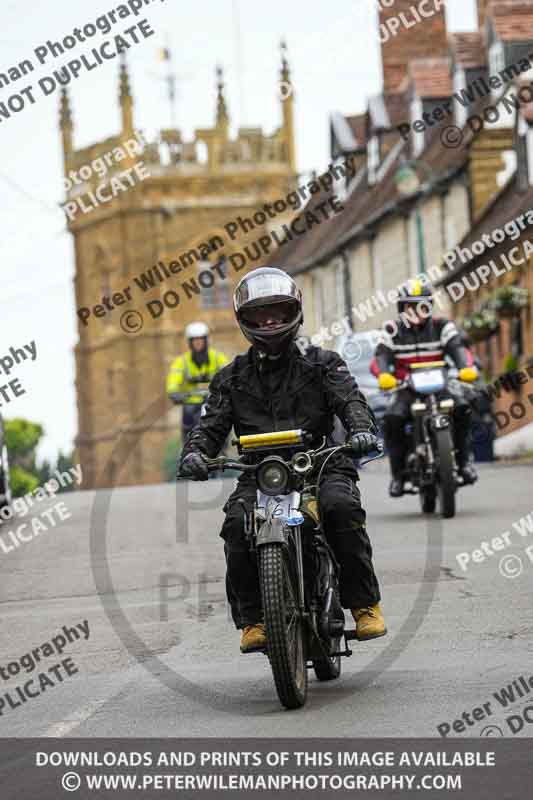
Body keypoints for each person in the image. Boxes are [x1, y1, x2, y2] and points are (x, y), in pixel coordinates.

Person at [178, 266, 386, 653]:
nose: (269, 320)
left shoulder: (324, 362)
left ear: (294, 311)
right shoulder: (230, 378)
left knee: (340, 508)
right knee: (237, 526)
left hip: (321, 462)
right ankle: (254, 619)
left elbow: (350, 400)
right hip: (260, 472)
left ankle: (363, 604)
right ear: (245, 321)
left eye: (276, 310)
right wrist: (194, 453)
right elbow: (211, 425)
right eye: (259, 314)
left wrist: (360, 430)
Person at [371, 280, 479, 498]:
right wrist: (384, 374)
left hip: (440, 386)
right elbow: (381, 355)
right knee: (393, 418)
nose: (416, 311)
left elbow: (458, 347)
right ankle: (398, 475)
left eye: (422, 306)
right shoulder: (392, 330)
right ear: (402, 309)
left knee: (462, 409)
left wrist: (465, 367)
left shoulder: (443, 326)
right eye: (410, 306)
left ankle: (464, 462)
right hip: (406, 389)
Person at [166, 322, 228, 443]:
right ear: (190, 342)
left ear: (206, 340)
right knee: (188, 417)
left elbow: (229, 375)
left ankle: (222, 447)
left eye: (201, 339)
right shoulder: (181, 362)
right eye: (194, 340)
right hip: (191, 404)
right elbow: (173, 379)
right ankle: (188, 447)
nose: (198, 343)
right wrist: (174, 392)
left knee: (223, 419)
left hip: (213, 401)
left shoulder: (218, 358)